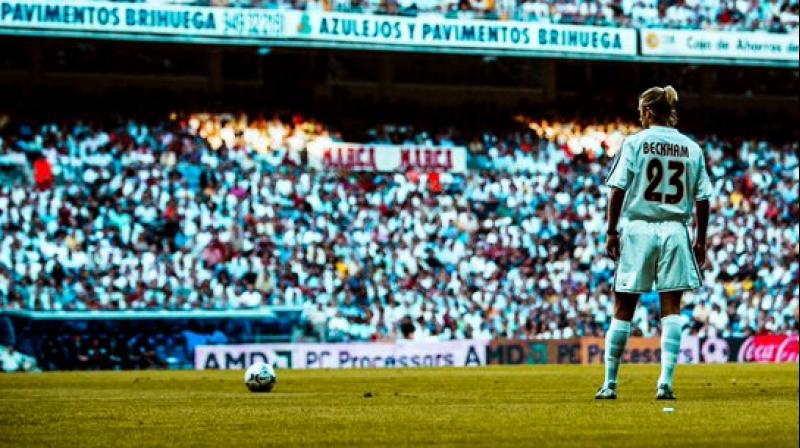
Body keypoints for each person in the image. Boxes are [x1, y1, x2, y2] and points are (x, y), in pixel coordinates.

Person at [595, 85, 712, 400]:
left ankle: (610, 383)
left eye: (640, 110)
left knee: (624, 306)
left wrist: (610, 230)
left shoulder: (635, 143)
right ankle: (665, 382)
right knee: (671, 307)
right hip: (675, 229)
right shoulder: (691, 148)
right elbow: (703, 197)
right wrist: (700, 240)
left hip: (639, 228)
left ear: (647, 111)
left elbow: (618, 188)